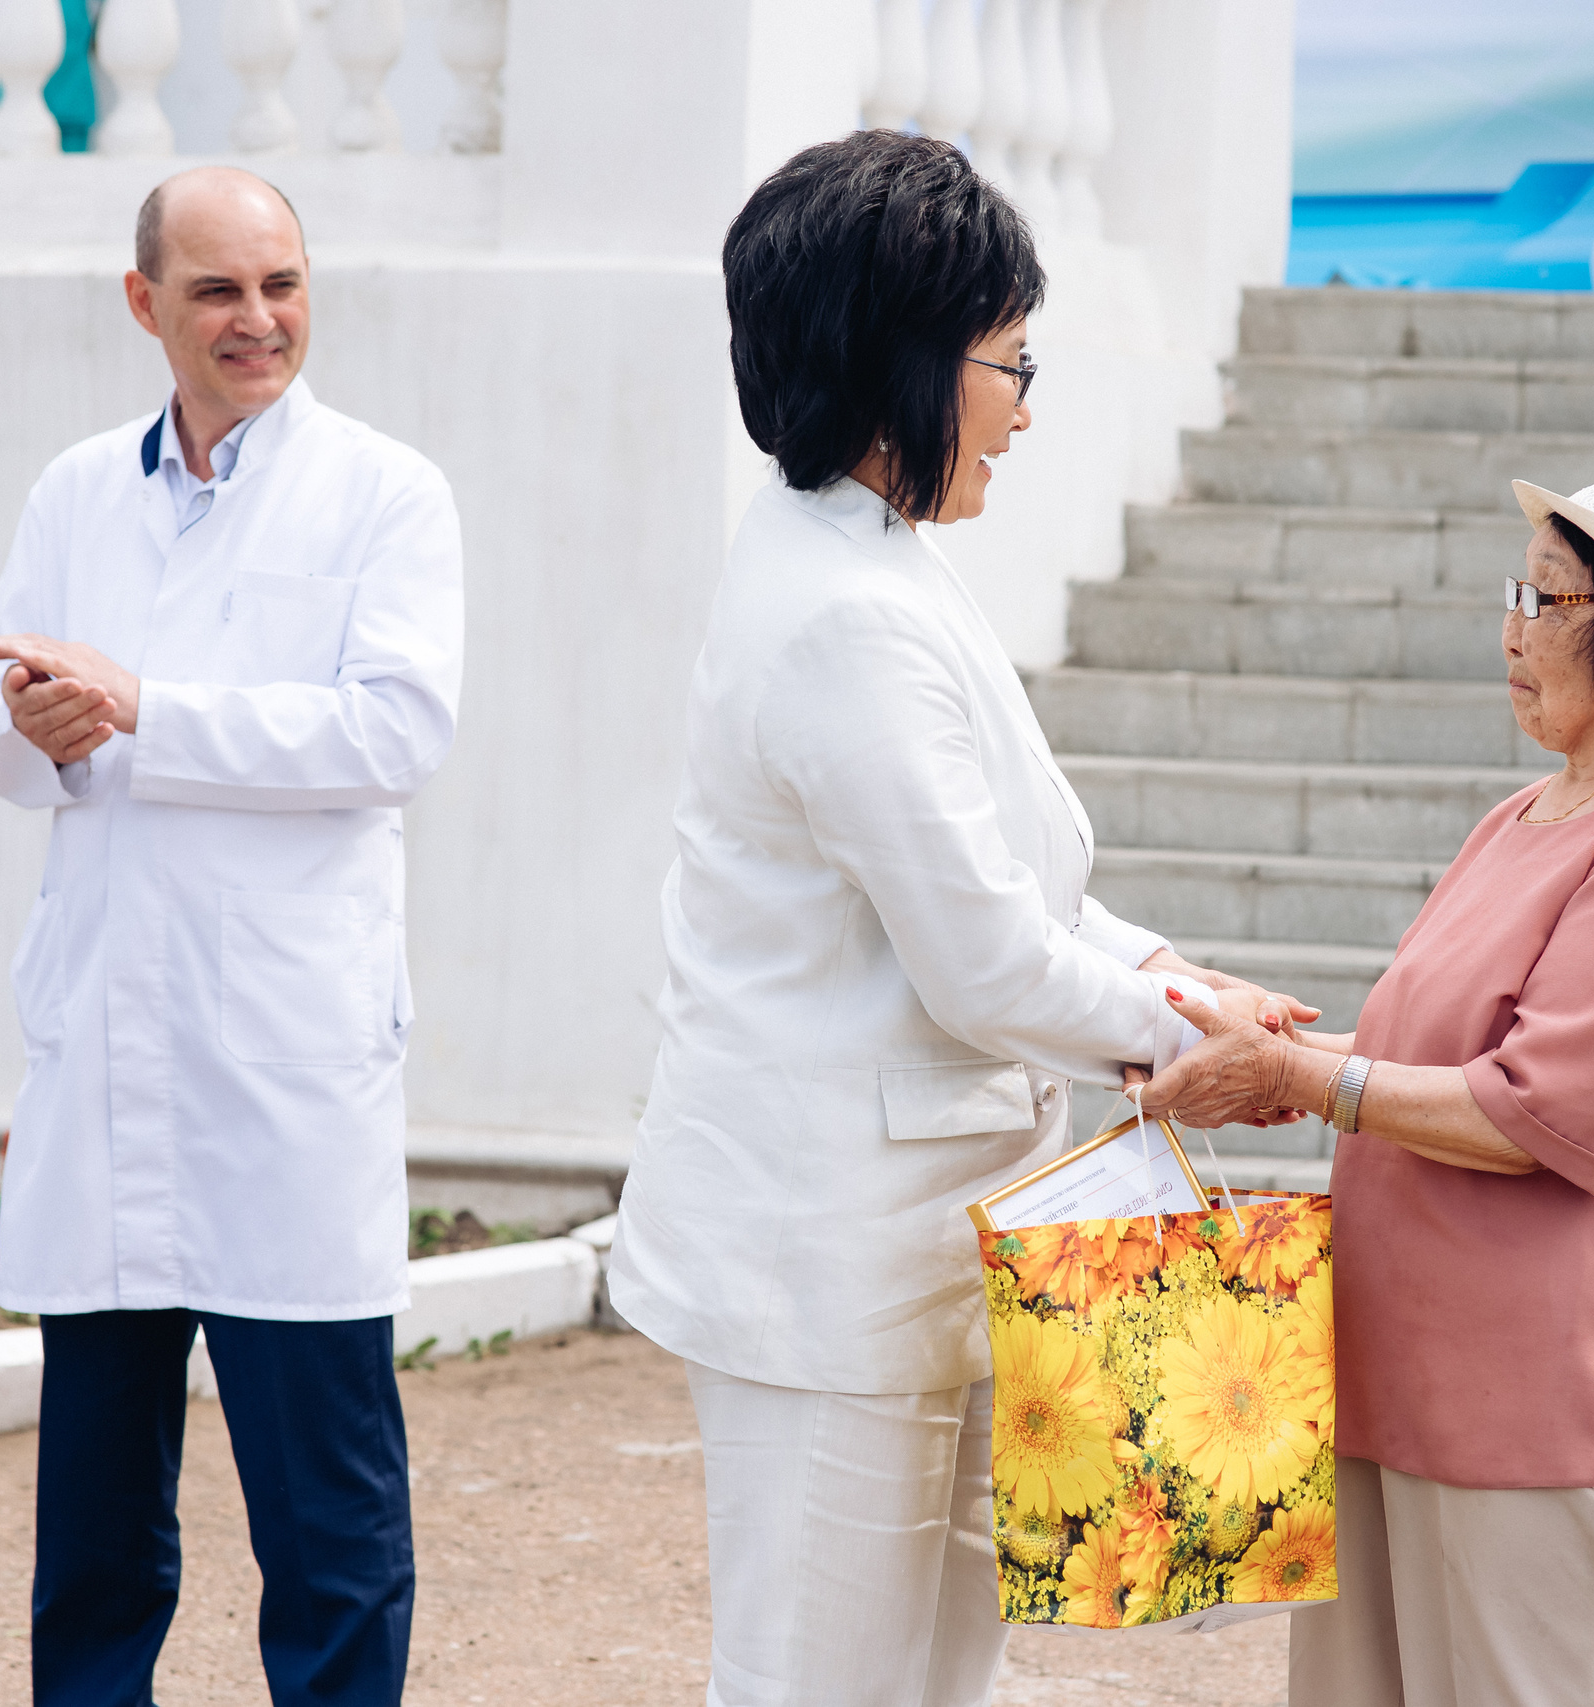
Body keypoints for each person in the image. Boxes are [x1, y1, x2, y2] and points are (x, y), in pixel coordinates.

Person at [604, 130, 1305, 1707]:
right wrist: (1191, 1028)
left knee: (930, 1673)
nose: (1028, 405)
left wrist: (1169, 972)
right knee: (818, 1678)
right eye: (1011, 360)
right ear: (900, 362)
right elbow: (985, 959)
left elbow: (1009, 884)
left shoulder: (876, 558)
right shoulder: (843, 610)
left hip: (913, 1237)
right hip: (824, 1264)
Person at [1137, 464, 1594, 1707]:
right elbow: (1412, 1058)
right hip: (1394, 1358)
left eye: (1548, 602)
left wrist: (1306, 1078)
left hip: (1532, 1379)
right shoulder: (1522, 816)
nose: (1511, 629)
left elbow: (1535, 1113)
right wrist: (1261, 1056)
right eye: (1517, 594)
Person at [0, 166, 464, 1706]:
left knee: (328, 1525)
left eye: (283, 285)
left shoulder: (387, 492)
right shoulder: (73, 494)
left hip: (283, 1071)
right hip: (110, 1054)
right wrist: (37, 723)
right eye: (219, 292)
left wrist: (140, 709)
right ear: (144, 305)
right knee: (98, 1532)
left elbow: (395, 731)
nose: (259, 320)